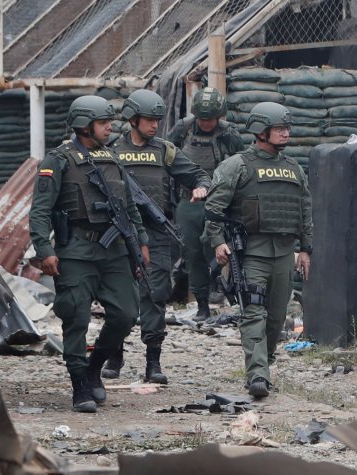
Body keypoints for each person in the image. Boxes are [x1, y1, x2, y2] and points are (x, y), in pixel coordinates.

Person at [29, 95, 148, 413]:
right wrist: (45, 250)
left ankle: (95, 366)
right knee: (76, 316)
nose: (110, 126)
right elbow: (40, 210)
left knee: (126, 314)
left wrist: (142, 244)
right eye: (103, 122)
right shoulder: (58, 160)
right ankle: (80, 383)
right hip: (76, 251)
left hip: (115, 251)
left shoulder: (113, 158)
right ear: (84, 125)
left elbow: (130, 207)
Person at [204, 101, 313, 399]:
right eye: (279, 129)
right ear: (260, 131)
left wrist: (306, 250)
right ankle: (258, 375)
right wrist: (217, 242)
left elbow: (305, 211)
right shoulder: (237, 166)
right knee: (254, 313)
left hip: (284, 255)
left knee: (277, 318)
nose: (285, 133)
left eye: (287, 128)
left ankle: (265, 363)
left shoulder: (294, 169)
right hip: (251, 253)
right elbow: (213, 209)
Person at [104, 89, 211, 385]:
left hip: (155, 234)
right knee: (117, 296)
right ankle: (114, 355)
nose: (155, 126)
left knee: (155, 294)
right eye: (149, 120)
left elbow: (197, 174)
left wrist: (201, 187)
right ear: (133, 120)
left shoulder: (165, 150)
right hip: (117, 235)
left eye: (157, 120)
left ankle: (153, 360)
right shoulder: (110, 150)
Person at [167, 87, 246, 321]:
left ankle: (217, 282)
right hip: (188, 200)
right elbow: (167, 156)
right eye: (203, 119)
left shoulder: (229, 134)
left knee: (217, 247)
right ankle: (202, 304)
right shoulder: (183, 128)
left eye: (211, 119)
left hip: (220, 202)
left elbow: (242, 165)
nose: (207, 123)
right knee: (192, 252)